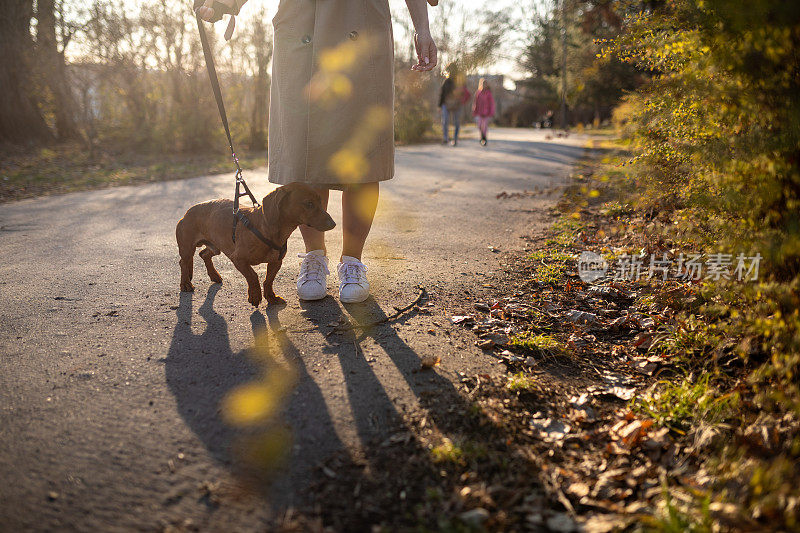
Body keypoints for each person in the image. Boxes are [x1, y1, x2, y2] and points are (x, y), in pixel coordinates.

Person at [197, 0, 437, 304]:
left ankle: (352, 262)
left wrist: (423, 28)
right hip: (301, 22)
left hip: (360, 21)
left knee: (363, 156)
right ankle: (314, 258)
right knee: (304, 153)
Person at [438, 66, 470, 146]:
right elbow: (442, 94)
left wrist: (462, 101)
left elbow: (466, 93)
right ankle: (445, 138)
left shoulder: (460, 81)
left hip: (457, 104)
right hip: (446, 104)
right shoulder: (447, 81)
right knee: (445, 121)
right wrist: (440, 105)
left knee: (456, 122)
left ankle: (455, 139)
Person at [472, 77, 496, 146]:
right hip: (479, 112)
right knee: (479, 126)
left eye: (485, 84)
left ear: (487, 85)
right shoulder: (478, 92)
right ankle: (482, 136)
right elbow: (475, 102)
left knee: (484, 126)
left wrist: (491, 112)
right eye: (483, 84)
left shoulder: (489, 93)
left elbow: (492, 103)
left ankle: (484, 138)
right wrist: (474, 111)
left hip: (486, 113)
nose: (484, 85)